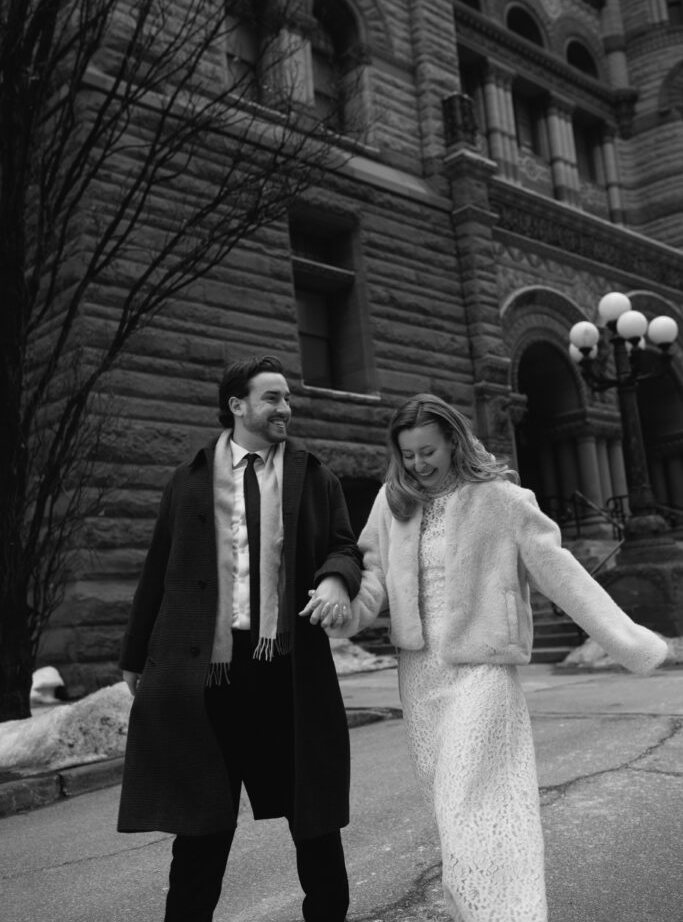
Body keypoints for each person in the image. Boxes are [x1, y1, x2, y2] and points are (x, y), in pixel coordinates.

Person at [302, 393, 668, 922]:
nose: (417, 464)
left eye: (427, 451)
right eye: (407, 455)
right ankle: (475, 909)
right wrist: (346, 610)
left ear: (453, 440)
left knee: (474, 800)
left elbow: (562, 574)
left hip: (482, 667)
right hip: (420, 673)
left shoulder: (501, 498)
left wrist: (628, 641)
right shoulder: (393, 501)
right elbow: (374, 575)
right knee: (452, 811)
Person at [118, 354, 361, 922]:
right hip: (212, 675)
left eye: (287, 398)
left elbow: (345, 547)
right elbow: (158, 569)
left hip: (288, 670)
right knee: (201, 825)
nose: (286, 408)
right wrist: (134, 656)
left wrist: (334, 578)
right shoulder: (189, 479)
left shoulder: (315, 475)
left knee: (315, 819)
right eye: (273, 398)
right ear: (238, 405)